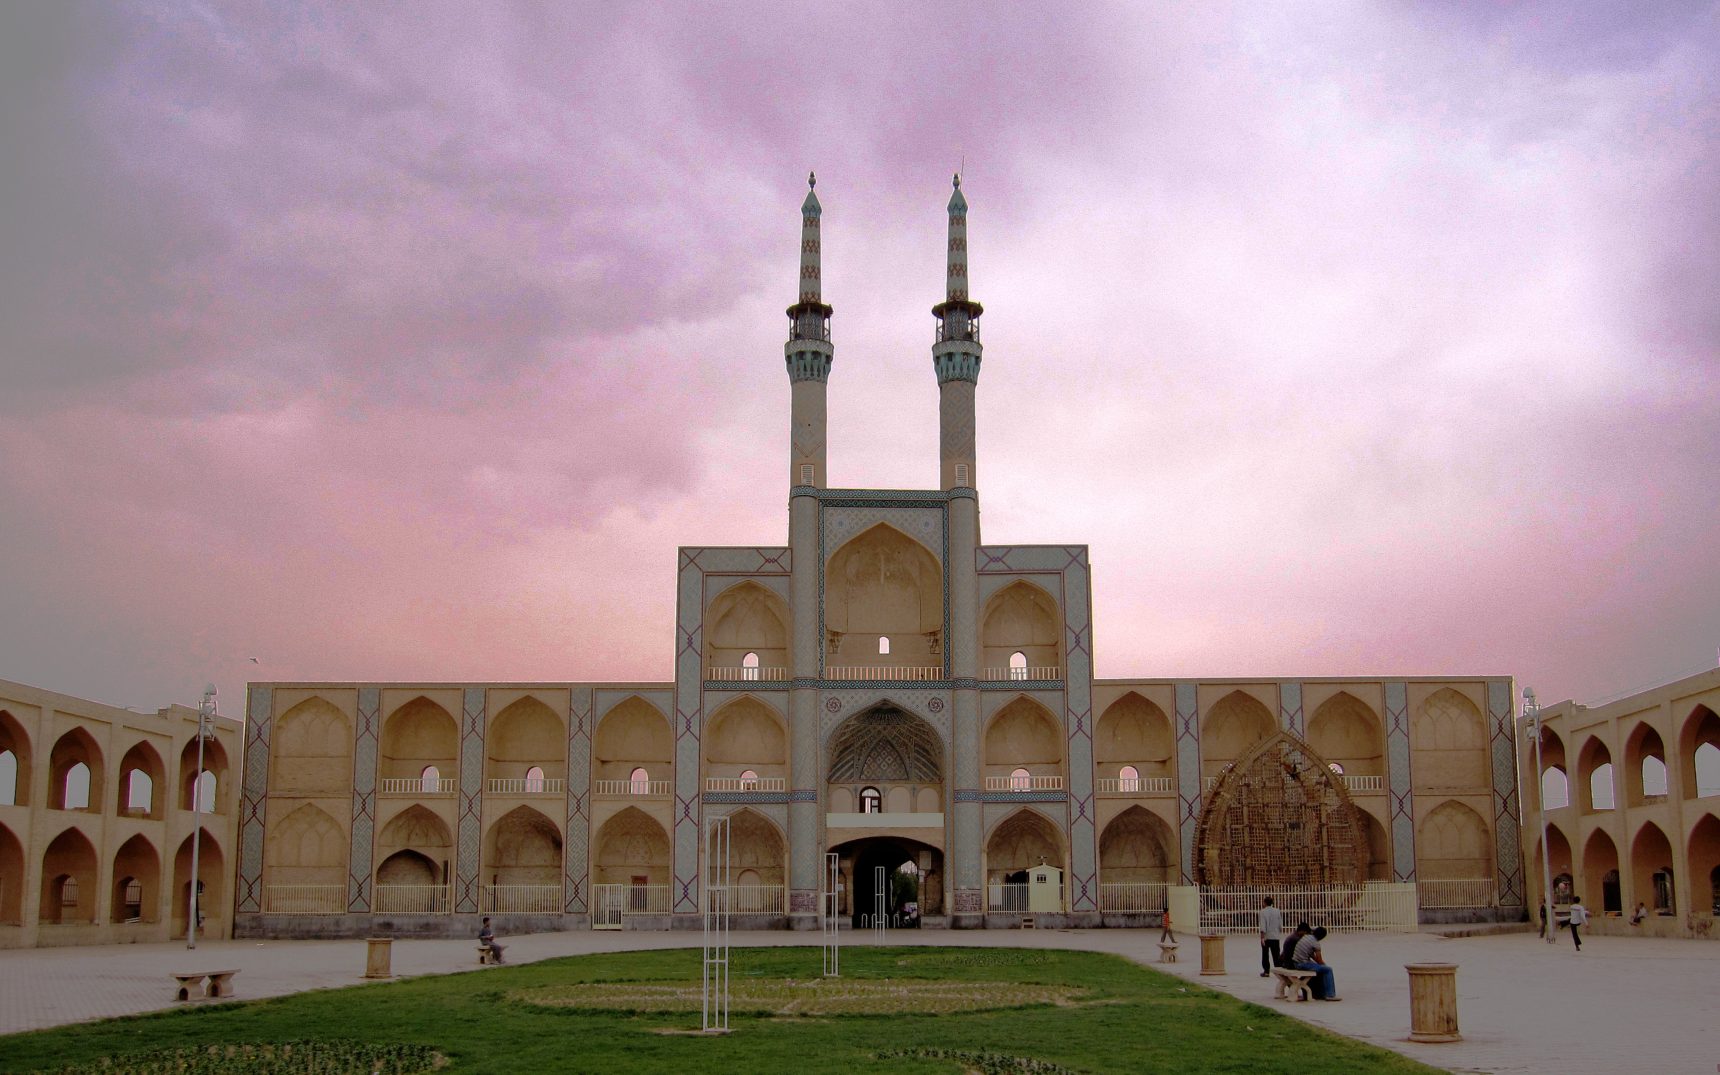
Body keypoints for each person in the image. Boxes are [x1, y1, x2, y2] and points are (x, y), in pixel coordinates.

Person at [1291, 925, 1340, 1001]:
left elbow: (1313, 956)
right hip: (1302, 964)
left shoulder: (1306, 937)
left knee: (1321, 969)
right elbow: (1319, 959)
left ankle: (1319, 993)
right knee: (1328, 970)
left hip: (1296, 962)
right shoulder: (1316, 943)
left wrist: (1321, 965)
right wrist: (1324, 965)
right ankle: (1330, 995)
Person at [1258, 896, 1283, 977]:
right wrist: (1279, 931)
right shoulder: (1277, 911)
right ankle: (1278, 970)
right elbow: (1280, 924)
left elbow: (1263, 925)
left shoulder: (1263, 911)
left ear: (1264, 903)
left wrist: (1262, 937)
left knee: (1265, 954)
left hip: (1266, 936)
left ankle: (1266, 971)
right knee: (1276, 954)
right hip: (1275, 936)